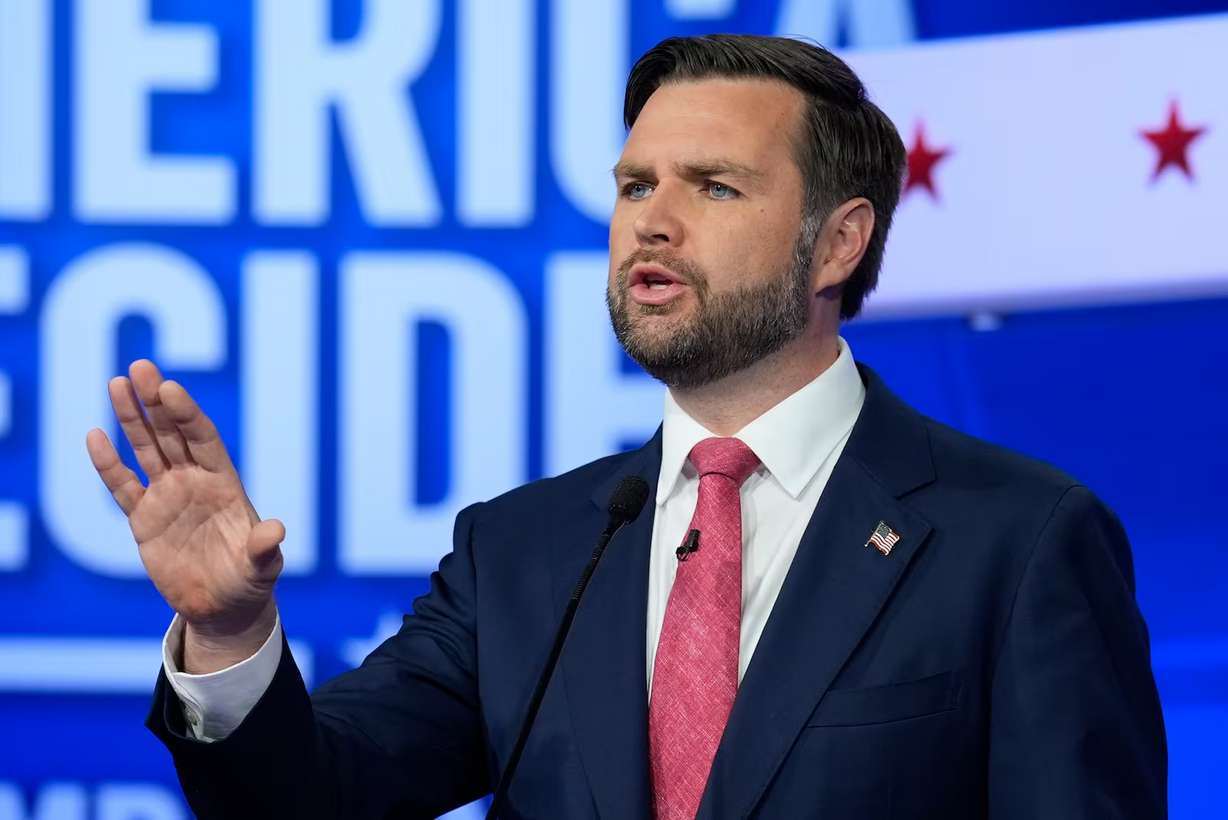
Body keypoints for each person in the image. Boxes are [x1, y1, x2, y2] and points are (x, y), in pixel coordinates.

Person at [86, 34, 1166, 819]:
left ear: (837, 244)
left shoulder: (1015, 539)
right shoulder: (526, 548)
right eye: (634, 183)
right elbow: (313, 800)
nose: (650, 218)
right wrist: (228, 637)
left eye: (715, 187)